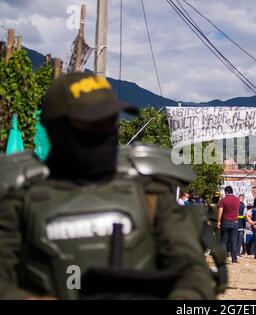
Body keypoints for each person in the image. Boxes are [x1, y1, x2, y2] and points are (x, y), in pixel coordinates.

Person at [0, 73, 217, 300]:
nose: (103, 130)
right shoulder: (20, 199)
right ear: (56, 127)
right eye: (89, 123)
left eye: (109, 120)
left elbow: (193, 272)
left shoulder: (149, 194)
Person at [217, 186, 240, 263]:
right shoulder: (237, 200)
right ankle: (234, 259)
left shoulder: (223, 200)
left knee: (224, 241)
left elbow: (220, 211)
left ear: (226, 192)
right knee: (234, 241)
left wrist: (218, 222)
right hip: (235, 222)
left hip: (225, 222)